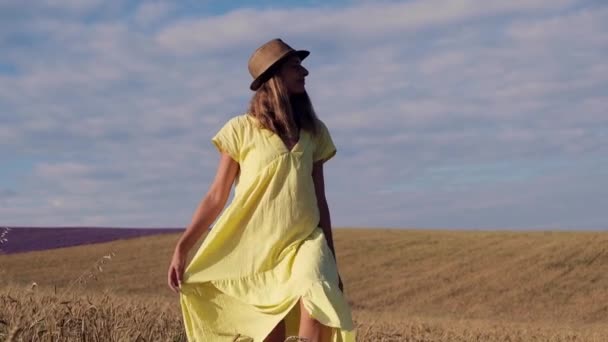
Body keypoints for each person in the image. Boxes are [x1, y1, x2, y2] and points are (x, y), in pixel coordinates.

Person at [167, 38, 356, 342]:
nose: (305, 73)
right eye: (296, 67)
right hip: (258, 249)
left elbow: (320, 199)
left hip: (305, 241)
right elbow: (217, 196)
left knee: (318, 296)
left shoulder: (315, 132)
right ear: (275, 76)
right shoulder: (240, 130)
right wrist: (182, 247)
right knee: (270, 333)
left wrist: (331, 259)